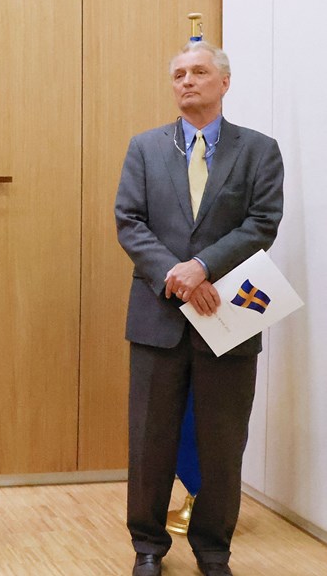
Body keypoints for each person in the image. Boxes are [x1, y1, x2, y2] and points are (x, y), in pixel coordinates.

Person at [115, 40, 284, 576]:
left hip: (228, 317)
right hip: (157, 318)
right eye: (179, 74)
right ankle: (147, 547)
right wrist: (178, 275)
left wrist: (203, 267)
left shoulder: (259, 149)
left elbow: (262, 222)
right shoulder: (144, 148)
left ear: (224, 82)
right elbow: (129, 222)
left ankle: (213, 550)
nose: (187, 81)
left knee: (222, 442)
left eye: (199, 72)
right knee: (149, 441)